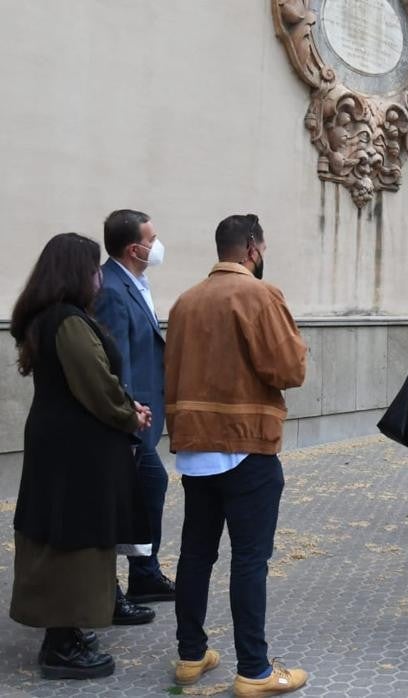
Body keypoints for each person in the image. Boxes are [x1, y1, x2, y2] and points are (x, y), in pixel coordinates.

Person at [165, 214, 309, 695]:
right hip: (246, 444)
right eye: (262, 246)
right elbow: (289, 368)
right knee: (250, 559)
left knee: (195, 553)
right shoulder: (260, 295)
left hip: (194, 447)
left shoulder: (185, 302)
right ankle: (255, 669)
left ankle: (190, 654)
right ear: (251, 248)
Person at [8, 233, 153, 680]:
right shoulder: (67, 321)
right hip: (76, 453)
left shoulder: (54, 318)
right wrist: (129, 413)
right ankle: (61, 642)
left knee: (67, 532)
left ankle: (69, 629)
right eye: (94, 268)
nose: (98, 277)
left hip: (65, 447)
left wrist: (126, 408)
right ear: (76, 272)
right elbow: (97, 384)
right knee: (74, 536)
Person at [94, 209, 173, 625]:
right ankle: (115, 589)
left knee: (147, 490)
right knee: (131, 496)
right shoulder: (110, 288)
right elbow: (113, 360)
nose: (157, 244)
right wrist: (126, 414)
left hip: (140, 415)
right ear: (134, 247)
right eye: (152, 237)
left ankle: (143, 573)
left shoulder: (135, 282)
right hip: (129, 420)